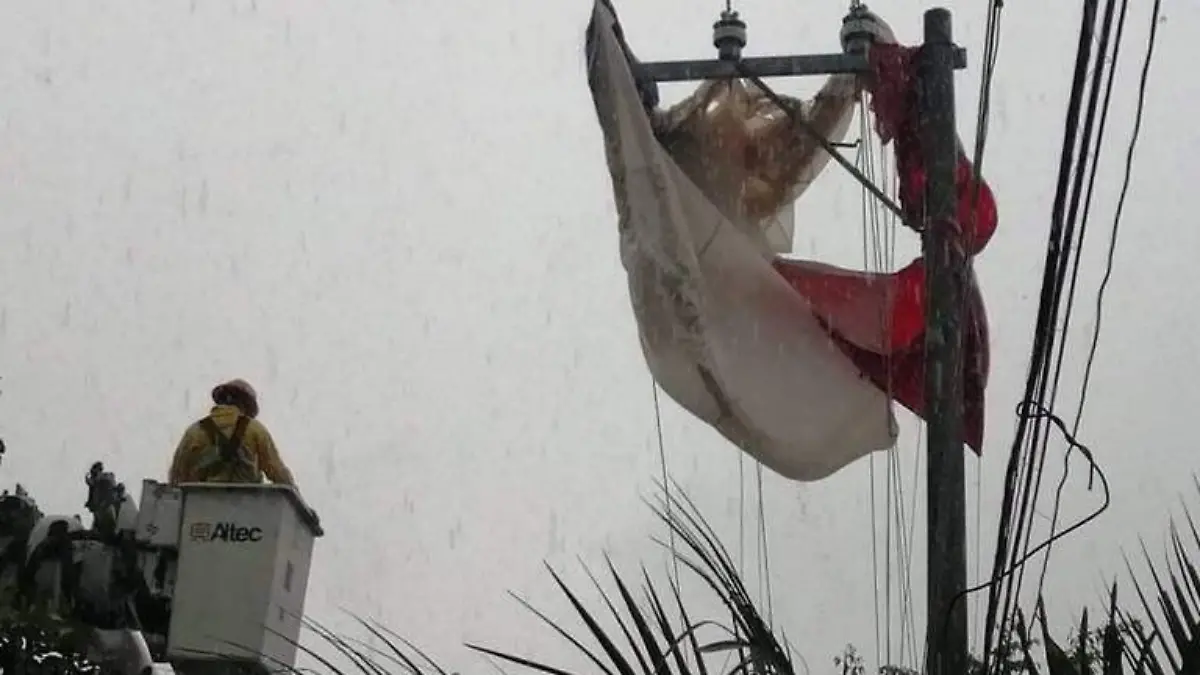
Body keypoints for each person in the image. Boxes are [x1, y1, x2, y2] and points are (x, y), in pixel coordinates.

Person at [167, 379, 296, 487]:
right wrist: (295, 496)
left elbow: (177, 475)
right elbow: (277, 472)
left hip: (200, 505)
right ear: (246, 406)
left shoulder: (194, 432)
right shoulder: (255, 430)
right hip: (248, 505)